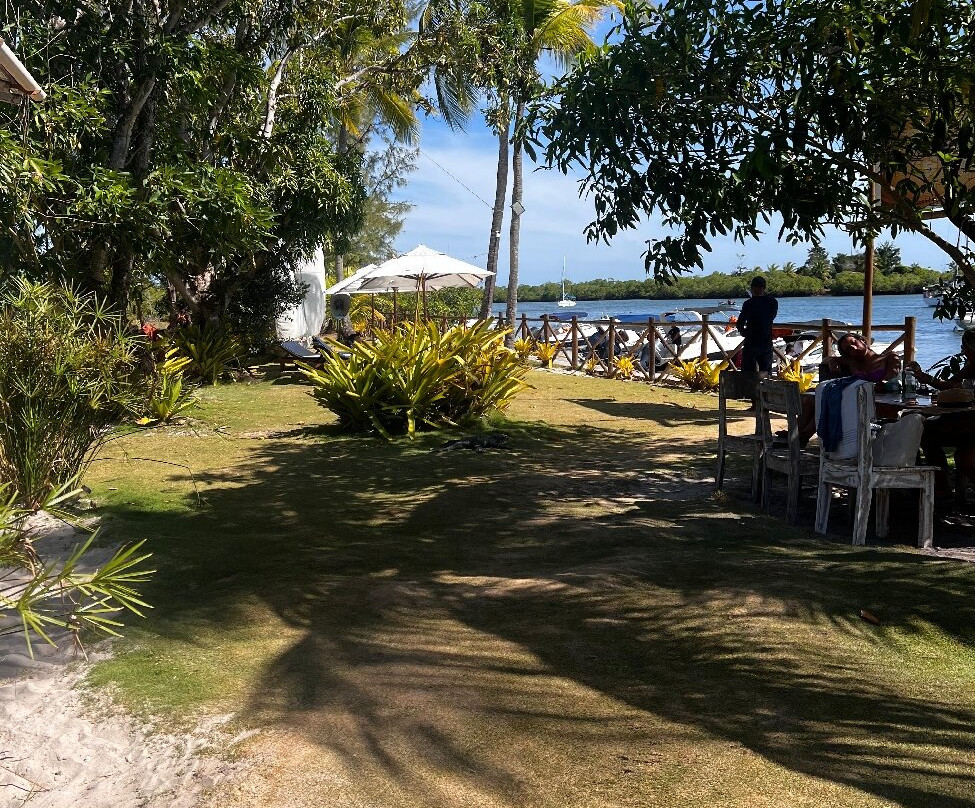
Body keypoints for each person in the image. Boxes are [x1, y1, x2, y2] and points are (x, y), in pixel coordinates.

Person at [908, 328, 975, 498]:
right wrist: (923, 377)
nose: (963, 352)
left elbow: (957, 387)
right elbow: (951, 384)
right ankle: (940, 485)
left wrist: (929, 380)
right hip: (967, 422)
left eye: (964, 348)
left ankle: (940, 488)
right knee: (926, 429)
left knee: (929, 431)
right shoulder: (971, 365)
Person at [736, 276, 778, 376]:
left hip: (751, 342)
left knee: (748, 374)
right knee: (766, 374)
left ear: (752, 288)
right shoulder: (772, 302)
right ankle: (764, 391)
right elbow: (772, 317)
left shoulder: (748, 304)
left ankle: (749, 391)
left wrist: (743, 332)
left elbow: (740, 322)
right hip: (765, 341)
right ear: (764, 288)